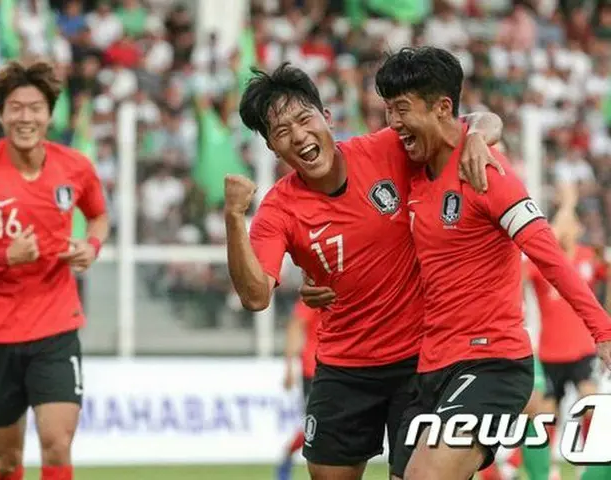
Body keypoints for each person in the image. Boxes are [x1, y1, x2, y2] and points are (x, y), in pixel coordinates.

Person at [225, 61, 503, 480]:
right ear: (271, 148)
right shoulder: (278, 210)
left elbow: (481, 120)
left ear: (327, 118)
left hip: (420, 360)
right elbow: (255, 296)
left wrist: (477, 137)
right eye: (282, 132)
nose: (299, 136)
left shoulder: (387, 148)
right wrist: (233, 217)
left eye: (304, 119)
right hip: (343, 368)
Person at [376, 46, 611, 480]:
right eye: (388, 109)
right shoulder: (409, 168)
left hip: (491, 364)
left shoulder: (487, 172)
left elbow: (549, 254)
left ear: (442, 107)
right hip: (429, 366)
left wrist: (603, 330)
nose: (393, 123)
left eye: (402, 109)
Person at [0, 60, 109, 480]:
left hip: (55, 327)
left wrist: (91, 245)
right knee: (9, 458)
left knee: (56, 444)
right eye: (15, 107)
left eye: (34, 107)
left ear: (50, 114)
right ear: (0, 114)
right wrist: (2, 256)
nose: (25, 117)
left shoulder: (75, 167)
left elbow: (99, 217)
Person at [527, 199, 611, 480]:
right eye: (559, 224)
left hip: (582, 350)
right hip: (550, 353)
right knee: (545, 416)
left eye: (569, 223)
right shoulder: (542, 264)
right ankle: (547, 470)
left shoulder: (589, 257)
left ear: (577, 228)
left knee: (590, 403)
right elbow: (517, 276)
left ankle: (587, 463)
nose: (565, 229)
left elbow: (607, 271)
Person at [277, 298, 319, 480]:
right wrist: (289, 367)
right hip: (315, 371)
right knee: (318, 424)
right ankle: (287, 455)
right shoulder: (315, 293)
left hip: (341, 367)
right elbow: (295, 326)